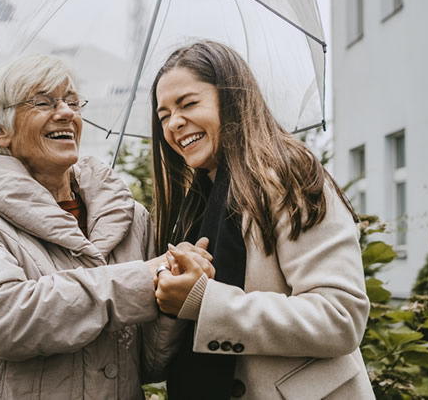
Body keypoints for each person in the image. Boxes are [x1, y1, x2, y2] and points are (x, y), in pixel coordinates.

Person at [0, 54, 210, 399]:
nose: (66, 113)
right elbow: (1, 320)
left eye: (73, 102)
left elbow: (149, 364)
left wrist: (173, 288)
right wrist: (143, 278)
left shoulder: (131, 217)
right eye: (43, 102)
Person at [150, 41, 374, 399]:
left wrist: (204, 300)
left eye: (188, 104)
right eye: (163, 116)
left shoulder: (289, 177)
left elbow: (340, 317)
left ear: (232, 98)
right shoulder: (196, 205)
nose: (175, 123)